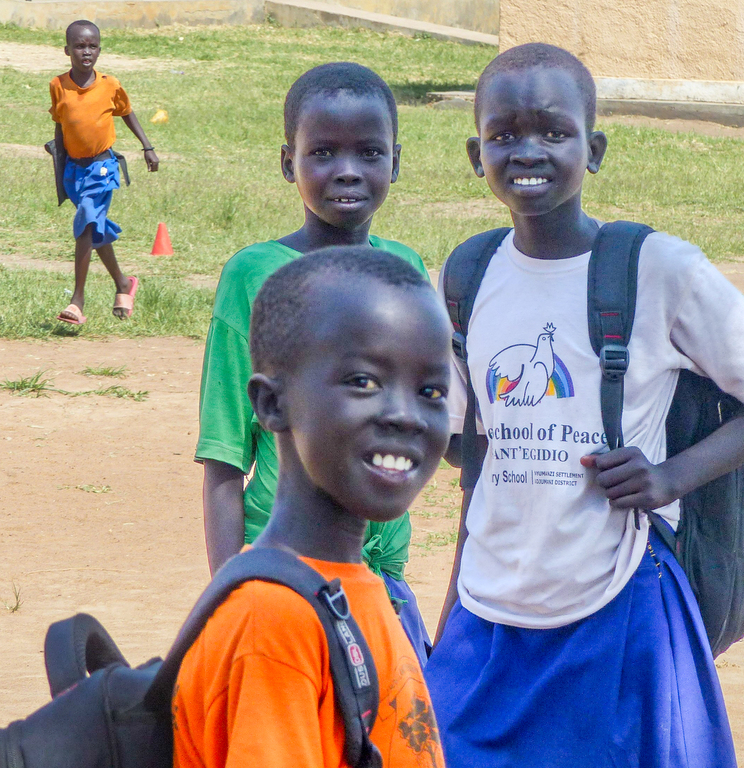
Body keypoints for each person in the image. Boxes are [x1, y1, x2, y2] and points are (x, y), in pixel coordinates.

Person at [424, 43, 744, 767]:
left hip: (617, 602)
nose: (527, 150)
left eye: (554, 131)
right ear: (474, 152)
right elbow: (469, 446)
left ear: (594, 148)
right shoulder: (467, 273)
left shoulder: (654, 268)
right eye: (504, 134)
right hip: (489, 609)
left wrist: (672, 477)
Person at [173, 247, 449, 768]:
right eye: (363, 381)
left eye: (430, 390)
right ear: (273, 404)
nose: (405, 415)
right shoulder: (275, 621)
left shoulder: (356, 589)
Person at [196, 62, 434, 662]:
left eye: (369, 152)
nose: (347, 170)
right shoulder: (252, 276)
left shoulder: (406, 270)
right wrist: (230, 593)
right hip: (284, 573)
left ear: (396, 163)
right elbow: (225, 458)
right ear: (288, 163)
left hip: (383, 580)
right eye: (323, 152)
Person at [48, 19, 159, 326]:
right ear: (67, 50)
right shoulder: (58, 85)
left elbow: (127, 113)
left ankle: (77, 301)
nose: (87, 52)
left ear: (99, 49)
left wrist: (147, 147)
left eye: (92, 46)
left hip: (102, 167)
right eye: (80, 46)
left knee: (85, 224)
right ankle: (123, 284)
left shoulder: (109, 84)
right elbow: (60, 127)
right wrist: (60, 169)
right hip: (75, 170)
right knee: (94, 227)